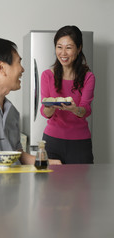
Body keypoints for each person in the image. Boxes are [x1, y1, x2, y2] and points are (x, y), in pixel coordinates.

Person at [40, 25, 95, 164]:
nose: (63, 53)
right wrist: (51, 106)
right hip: (52, 141)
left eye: (69, 47)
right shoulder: (47, 75)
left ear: (79, 48)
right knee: (50, 185)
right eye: (59, 47)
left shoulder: (88, 77)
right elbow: (45, 112)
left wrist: (74, 109)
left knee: (82, 185)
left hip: (80, 144)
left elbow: (85, 109)